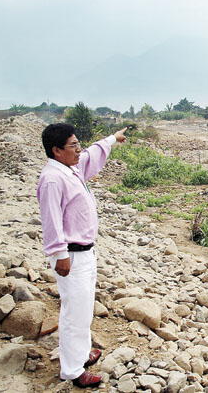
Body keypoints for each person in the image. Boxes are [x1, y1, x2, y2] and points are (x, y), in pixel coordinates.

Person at [37, 123, 127, 388]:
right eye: (73, 146)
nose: (79, 150)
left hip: (84, 252)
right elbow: (51, 220)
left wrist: (112, 139)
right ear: (56, 150)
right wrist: (59, 254)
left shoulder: (69, 168)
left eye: (78, 144)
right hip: (71, 255)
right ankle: (73, 371)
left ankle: (81, 353)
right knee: (74, 313)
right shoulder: (52, 179)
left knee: (83, 308)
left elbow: (89, 157)